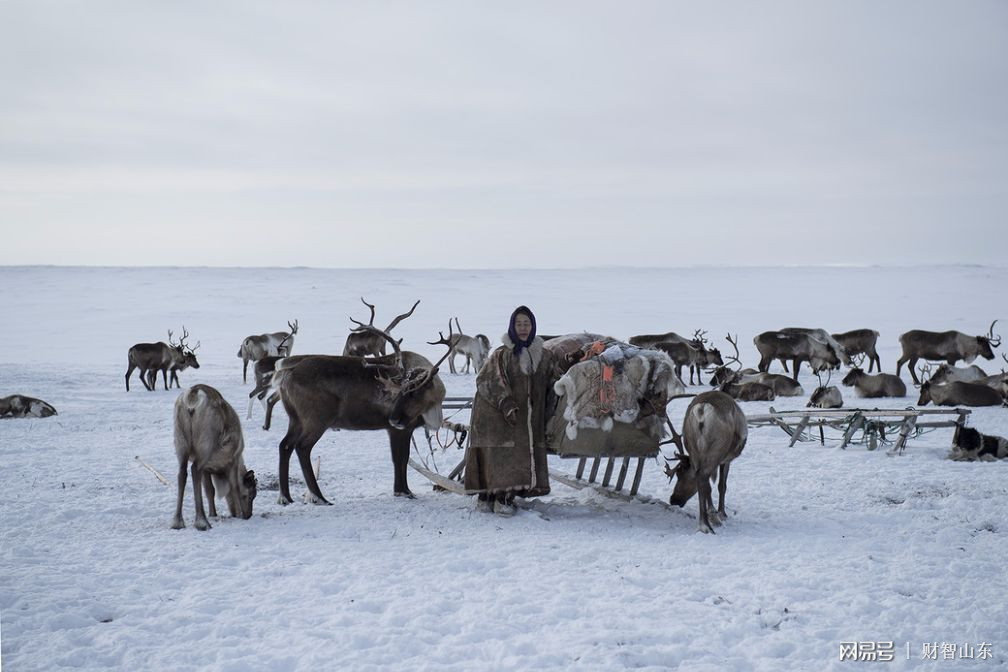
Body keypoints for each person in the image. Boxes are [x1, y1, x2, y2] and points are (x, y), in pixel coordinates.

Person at [463, 305, 556, 515]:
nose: (523, 328)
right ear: (512, 326)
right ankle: (491, 497)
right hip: (495, 414)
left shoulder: (543, 356)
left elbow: (553, 378)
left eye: (527, 324)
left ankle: (502, 497)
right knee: (501, 453)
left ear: (533, 326)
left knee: (516, 453)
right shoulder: (502, 354)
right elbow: (487, 379)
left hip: (525, 416)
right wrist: (505, 403)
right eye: (519, 324)